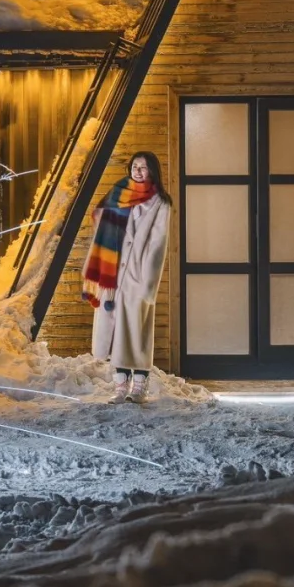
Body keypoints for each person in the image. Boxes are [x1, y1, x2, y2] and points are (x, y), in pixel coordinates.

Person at [82, 151, 171, 403]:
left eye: (143, 167)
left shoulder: (160, 203)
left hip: (137, 273)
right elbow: (99, 218)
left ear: (152, 171)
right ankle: (120, 386)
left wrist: (147, 283)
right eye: (134, 166)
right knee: (117, 329)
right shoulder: (119, 195)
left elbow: (157, 245)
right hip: (113, 274)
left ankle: (139, 385)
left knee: (137, 330)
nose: (138, 171)